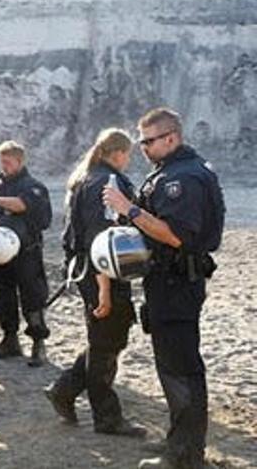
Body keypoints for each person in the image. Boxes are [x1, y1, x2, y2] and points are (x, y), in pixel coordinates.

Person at [102, 108, 225, 469]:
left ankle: (185, 455)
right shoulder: (173, 171)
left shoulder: (181, 178)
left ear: (171, 138)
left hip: (176, 282)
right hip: (170, 281)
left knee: (180, 370)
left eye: (148, 141)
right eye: (140, 141)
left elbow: (175, 236)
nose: (142, 148)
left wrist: (129, 209)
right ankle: (182, 443)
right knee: (176, 366)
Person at [45, 129, 147, 437]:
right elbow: (102, 240)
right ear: (118, 153)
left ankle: (65, 389)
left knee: (106, 339)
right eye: (127, 154)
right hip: (103, 271)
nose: (128, 160)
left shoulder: (87, 179)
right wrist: (104, 289)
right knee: (107, 344)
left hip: (92, 269)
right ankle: (106, 417)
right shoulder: (107, 182)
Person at [0, 141, 52, 367]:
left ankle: (38, 344)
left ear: (19, 161)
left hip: (27, 252)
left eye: (7, 162)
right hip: (1, 253)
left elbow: (21, 205)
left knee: (32, 297)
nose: (3, 166)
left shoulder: (33, 186)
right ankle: (10, 340)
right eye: (1, 162)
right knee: (4, 296)